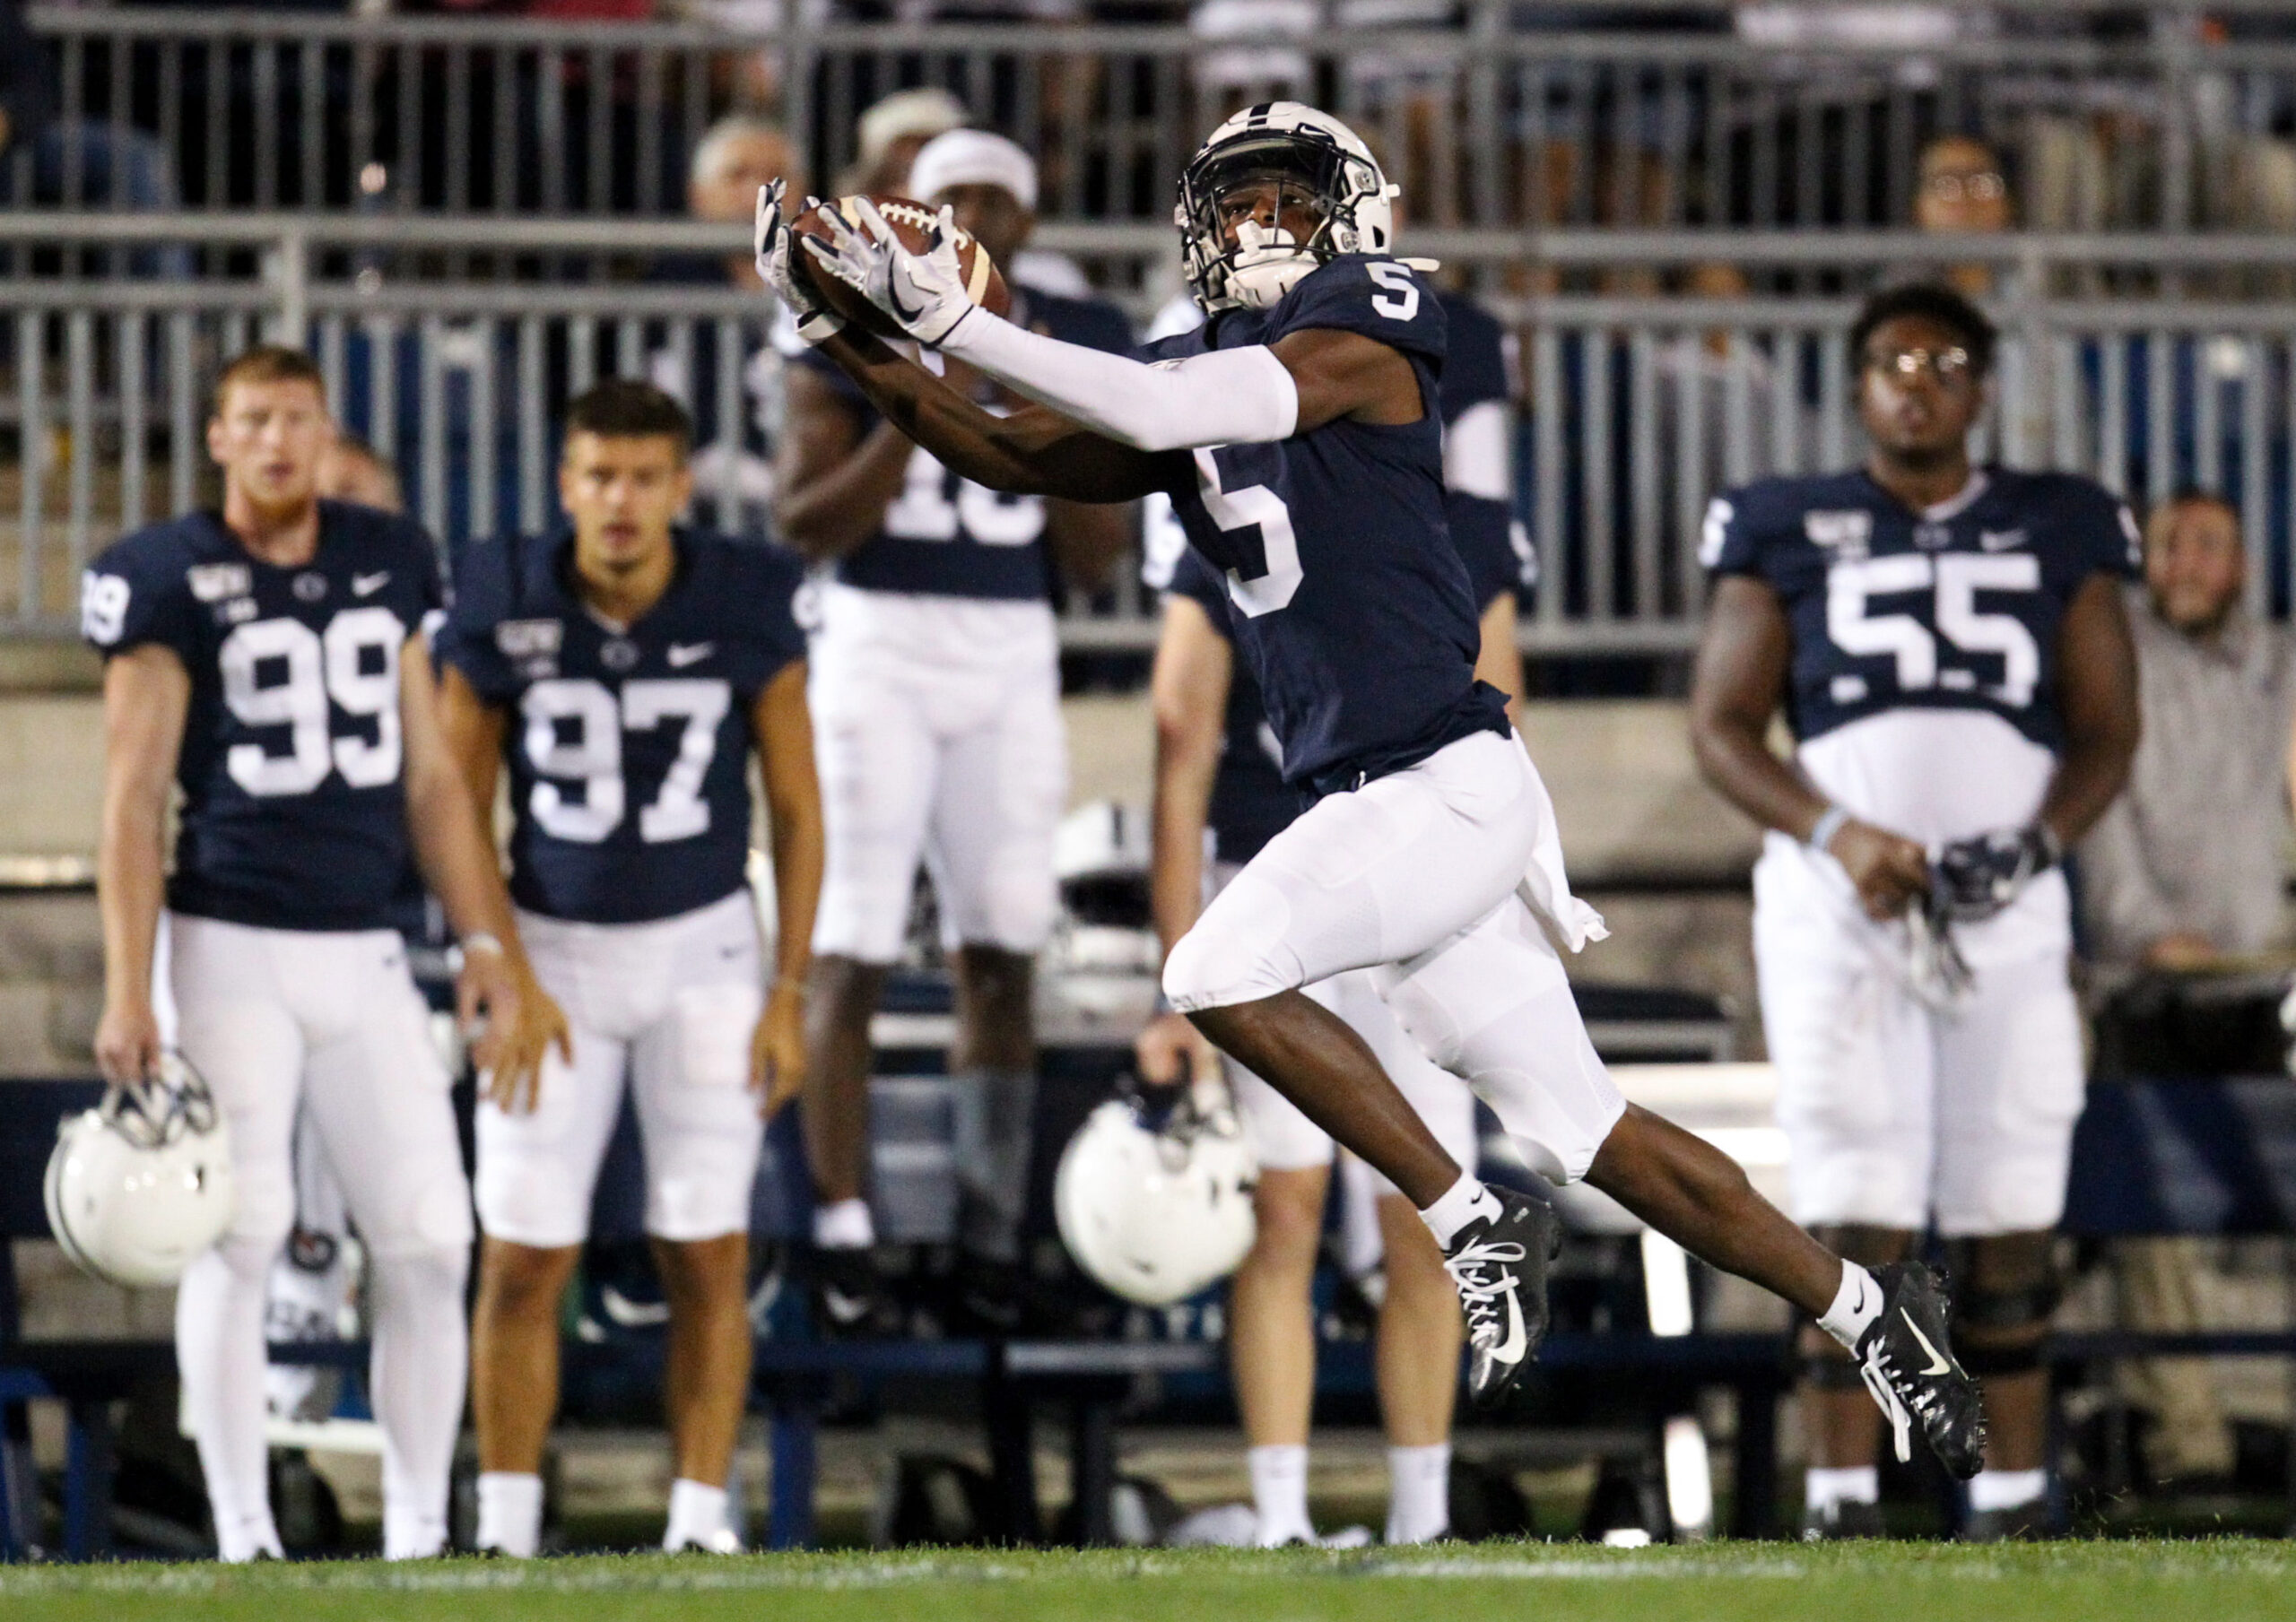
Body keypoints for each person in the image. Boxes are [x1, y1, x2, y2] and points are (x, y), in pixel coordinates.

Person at [757, 102, 1987, 1481]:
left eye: (1285, 197)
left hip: (1439, 785)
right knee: (1588, 1128)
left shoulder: (1375, 320)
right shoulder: (1199, 365)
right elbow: (1017, 452)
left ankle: (1469, 1219)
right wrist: (858, 339)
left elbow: (1148, 403)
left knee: (1213, 970)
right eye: (1235, 205)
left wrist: (952, 322)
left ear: (1354, 210)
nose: (1257, 224)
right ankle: (1874, 1307)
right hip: (1393, 797)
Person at [83, 344, 563, 1563]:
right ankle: (244, 1535)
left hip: (365, 947)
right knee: (238, 1237)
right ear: (218, 438)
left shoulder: (388, 557)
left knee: (427, 1236)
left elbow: (433, 779)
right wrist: (127, 985)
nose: (279, 440)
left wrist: (481, 937)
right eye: (255, 419)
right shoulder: (162, 575)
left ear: (325, 429)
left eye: (297, 417)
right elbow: (131, 800)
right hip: (227, 939)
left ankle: (416, 1534)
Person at [1688, 282, 2142, 1540]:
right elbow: (1720, 724)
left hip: (2007, 903)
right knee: (1852, 1196)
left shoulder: (2062, 523)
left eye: (1945, 360)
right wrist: (1836, 831)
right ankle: (1842, 1499)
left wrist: (2038, 840)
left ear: (1983, 388)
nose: (1918, 380)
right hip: (1840, 903)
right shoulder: (1784, 521)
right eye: (1895, 359)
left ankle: (2007, 1500)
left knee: (2010, 1203)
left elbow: (2111, 730)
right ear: (1859, 385)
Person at [434, 380, 822, 1557]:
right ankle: (505, 1527)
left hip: (704, 945)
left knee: (708, 1249)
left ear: (680, 487)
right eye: (599, 475)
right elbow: (457, 803)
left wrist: (788, 991)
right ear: (565, 483)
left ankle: (699, 1519)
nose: (620, 501)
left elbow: (799, 811)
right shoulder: (503, 594)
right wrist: (497, 958)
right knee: (521, 1251)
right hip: (550, 947)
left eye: (644, 477)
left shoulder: (746, 596)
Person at [773, 127, 1135, 1334]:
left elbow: (1094, 562)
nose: (972, 211)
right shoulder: (844, 314)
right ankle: (840, 1231)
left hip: (1009, 644)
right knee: (852, 941)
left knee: (1004, 940)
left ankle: (990, 1235)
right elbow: (806, 520)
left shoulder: (1076, 334)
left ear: (1027, 220)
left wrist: (1022, 381)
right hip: (875, 643)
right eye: (948, 197)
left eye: (994, 195)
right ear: (909, 215)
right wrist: (914, 391)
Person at [2076, 489, 2296, 1487]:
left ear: (2242, 566)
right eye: (2170, 545)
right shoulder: (2112, 661)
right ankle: (2187, 1438)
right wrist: (2139, 930)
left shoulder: (2278, 663)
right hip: (2147, 985)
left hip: (2262, 983)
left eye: (2210, 544)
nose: (2189, 563)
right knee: (2143, 1212)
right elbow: (2101, 803)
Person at [649, 116, 809, 537]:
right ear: (698, 195)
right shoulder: (663, 291)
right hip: (697, 498)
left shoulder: (833, 282)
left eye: (775, 177)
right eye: (737, 174)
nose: (759, 192)